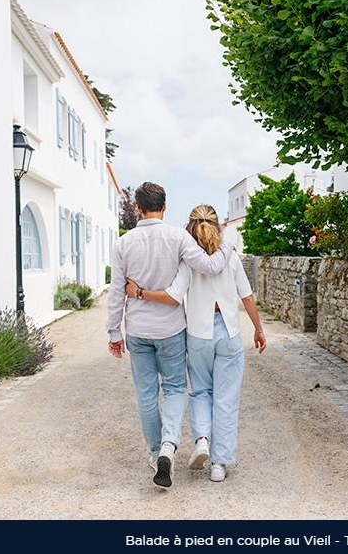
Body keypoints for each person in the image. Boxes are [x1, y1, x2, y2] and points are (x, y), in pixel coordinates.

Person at [107, 183, 234, 490]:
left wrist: (114, 332)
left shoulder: (124, 244)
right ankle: (169, 446)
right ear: (164, 206)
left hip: (137, 330)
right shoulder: (178, 238)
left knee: (146, 394)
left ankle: (156, 453)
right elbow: (210, 265)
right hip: (171, 330)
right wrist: (228, 246)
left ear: (138, 208)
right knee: (176, 388)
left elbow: (115, 292)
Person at [126, 204, 266, 483]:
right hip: (228, 333)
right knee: (226, 400)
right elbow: (247, 297)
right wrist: (259, 329)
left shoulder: (188, 261)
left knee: (200, 392)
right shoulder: (231, 258)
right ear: (218, 226)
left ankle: (202, 440)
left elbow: (172, 297)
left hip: (198, 335)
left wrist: (138, 292)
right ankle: (219, 464)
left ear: (190, 228)